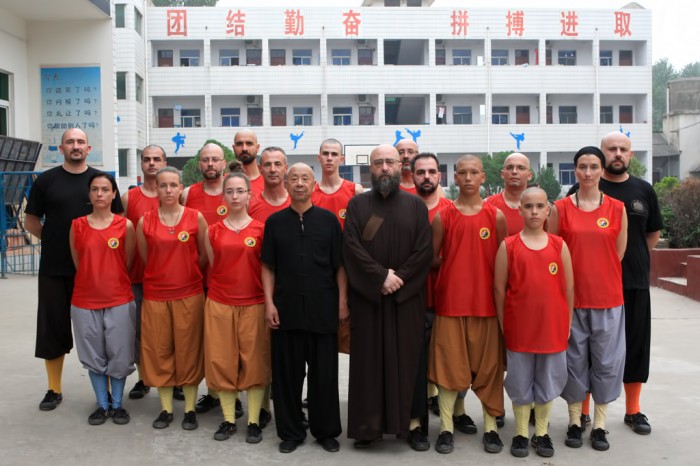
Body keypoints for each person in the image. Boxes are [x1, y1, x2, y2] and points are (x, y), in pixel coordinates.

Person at [568, 132, 663, 435]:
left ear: (631, 155)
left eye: (624, 149)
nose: (618, 154)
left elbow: (651, 234)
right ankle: (582, 413)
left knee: (634, 347)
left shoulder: (643, 190)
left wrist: (628, 260)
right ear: (601, 153)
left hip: (632, 282)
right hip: (590, 287)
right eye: (612, 149)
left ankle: (633, 410)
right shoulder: (583, 188)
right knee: (584, 350)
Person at [25, 128, 124, 411]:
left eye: (81, 142)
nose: (76, 146)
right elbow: (31, 220)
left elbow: (117, 221)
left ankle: (104, 392)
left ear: (89, 148)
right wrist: (57, 240)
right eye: (70, 142)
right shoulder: (46, 180)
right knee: (52, 328)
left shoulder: (101, 181)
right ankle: (53, 389)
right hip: (55, 269)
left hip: (95, 271)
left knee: (101, 331)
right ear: (61, 147)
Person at [344, 144, 433, 450]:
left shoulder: (416, 206)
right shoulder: (357, 206)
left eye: (390, 162)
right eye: (378, 162)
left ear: (400, 166)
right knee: (368, 364)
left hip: (405, 301)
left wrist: (399, 280)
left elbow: (424, 252)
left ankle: (414, 426)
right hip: (369, 300)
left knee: (410, 362)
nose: (384, 167)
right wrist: (380, 277)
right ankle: (368, 427)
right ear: (370, 168)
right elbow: (352, 248)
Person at [549, 146, 628, 452]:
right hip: (571, 301)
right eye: (582, 167)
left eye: (594, 166)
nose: (587, 172)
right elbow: (553, 252)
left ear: (602, 170)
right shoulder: (559, 208)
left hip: (608, 299)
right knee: (573, 363)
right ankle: (573, 422)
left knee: (607, 363)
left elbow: (617, 254)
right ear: (575, 170)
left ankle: (600, 425)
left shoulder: (617, 209)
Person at [262, 163, 344, 454]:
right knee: (287, 376)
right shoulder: (274, 223)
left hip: (323, 308)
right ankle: (291, 430)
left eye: (305, 179)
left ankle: (325, 430)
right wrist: (269, 302)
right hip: (286, 310)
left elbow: (339, 267)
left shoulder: (329, 221)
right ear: (286, 183)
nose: (299, 183)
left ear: (313, 185)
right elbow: (268, 266)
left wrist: (342, 302)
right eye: (293, 178)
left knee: (324, 374)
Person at [429, 155, 507, 455]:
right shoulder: (443, 216)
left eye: (474, 172)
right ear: (454, 178)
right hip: (450, 305)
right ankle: (446, 428)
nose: (468, 178)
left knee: (489, 370)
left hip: (487, 306)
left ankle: (490, 428)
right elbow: (433, 259)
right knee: (449, 370)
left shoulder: (495, 216)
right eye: (462, 173)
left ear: (483, 177)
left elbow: (503, 262)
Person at [494, 187, 574, 458]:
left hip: (552, 328)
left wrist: (566, 323)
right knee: (519, 381)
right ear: (520, 209)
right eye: (529, 206)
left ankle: (541, 433)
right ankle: (520, 433)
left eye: (540, 206)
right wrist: (506, 327)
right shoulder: (509, 245)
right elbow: (499, 289)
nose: (535, 211)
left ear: (548, 210)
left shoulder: (559, 245)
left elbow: (569, 289)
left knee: (549, 380)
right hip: (520, 329)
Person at [136, 167, 208, 431]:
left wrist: (186, 272)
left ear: (181, 188)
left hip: (189, 293)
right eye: (163, 185)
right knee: (159, 350)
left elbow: (202, 254)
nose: (168, 190)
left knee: (189, 350)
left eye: (173, 185)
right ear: (156, 189)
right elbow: (145, 256)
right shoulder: (146, 221)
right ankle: (166, 408)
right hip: (156, 295)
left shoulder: (195, 217)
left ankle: (189, 409)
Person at [203, 170, 270, 444]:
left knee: (254, 362)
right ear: (223, 196)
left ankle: (253, 420)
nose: (234, 196)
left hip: (254, 303)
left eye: (240, 191)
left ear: (249, 195)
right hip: (220, 303)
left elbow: (267, 269)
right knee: (222, 360)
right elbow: (212, 264)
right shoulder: (213, 230)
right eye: (229, 191)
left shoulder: (261, 230)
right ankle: (229, 419)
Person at [69, 172, 136, 425]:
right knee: (92, 355)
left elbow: (126, 262)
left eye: (105, 189)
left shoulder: (124, 225)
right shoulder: (77, 225)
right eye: (95, 189)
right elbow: (79, 262)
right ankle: (102, 404)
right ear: (89, 194)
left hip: (119, 298)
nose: (100, 194)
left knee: (119, 353)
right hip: (85, 300)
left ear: (113, 194)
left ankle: (118, 405)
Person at [181, 143, 231, 415]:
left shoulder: (235, 192)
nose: (210, 164)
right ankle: (212, 393)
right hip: (196, 280)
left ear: (224, 163)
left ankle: (230, 393)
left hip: (230, 281)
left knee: (226, 344)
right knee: (203, 341)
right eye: (205, 160)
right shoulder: (188, 194)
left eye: (215, 159)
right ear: (199, 164)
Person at [411, 153, 455, 433]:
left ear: (440, 175)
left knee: (451, 360)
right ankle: (416, 413)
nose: (426, 177)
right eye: (420, 172)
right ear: (412, 175)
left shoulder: (452, 209)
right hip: (411, 300)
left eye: (431, 171)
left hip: (446, 300)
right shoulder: (403, 208)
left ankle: (456, 412)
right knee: (415, 361)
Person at [122, 145, 167, 401]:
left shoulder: (175, 195)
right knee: (139, 330)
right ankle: (143, 378)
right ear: (141, 164)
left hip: (170, 278)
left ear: (164, 162)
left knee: (169, 332)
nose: (151, 163)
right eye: (147, 159)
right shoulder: (130, 198)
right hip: (138, 277)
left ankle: (175, 379)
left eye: (156, 159)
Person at [311, 138, 363, 355]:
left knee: (352, 341)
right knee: (321, 341)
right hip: (319, 272)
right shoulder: (309, 192)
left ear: (342, 158)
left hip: (350, 273)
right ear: (319, 158)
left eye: (334, 154)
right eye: (325, 153)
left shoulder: (355, 191)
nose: (329, 158)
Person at [486, 152, 533, 237]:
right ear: (502, 174)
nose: (514, 172)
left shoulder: (541, 208)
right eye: (510, 167)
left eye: (521, 168)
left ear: (529, 175)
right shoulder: (487, 205)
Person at [249, 147, 290, 223]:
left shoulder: (297, 204)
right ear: (259, 168)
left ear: (286, 168)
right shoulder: (249, 206)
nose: (272, 170)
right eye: (267, 165)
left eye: (278, 164)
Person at [232, 129, 265, 196]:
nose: (244, 148)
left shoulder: (268, 182)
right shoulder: (224, 182)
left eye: (249, 144)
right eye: (239, 144)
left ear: (257, 147)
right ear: (233, 148)